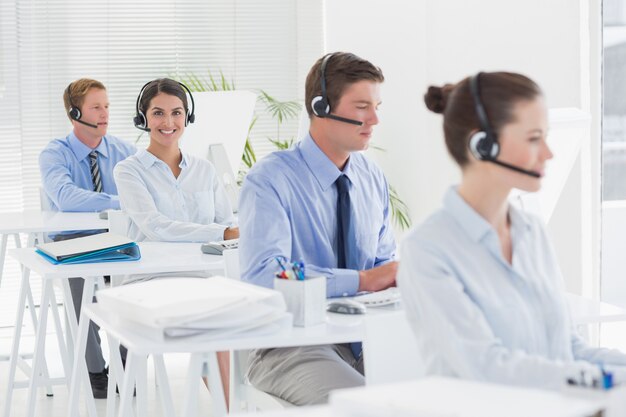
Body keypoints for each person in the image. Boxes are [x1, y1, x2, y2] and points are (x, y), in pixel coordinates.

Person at [398, 71, 626, 390]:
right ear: (483, 145)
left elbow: (568, 351)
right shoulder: (428, 249)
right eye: (534, 139)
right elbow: (487, 368)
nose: (549, 153)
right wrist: (599, 380)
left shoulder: (531, 232)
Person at [238, 52, 397, 405]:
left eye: (377, 106)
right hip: (292, 346)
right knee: (368, 409)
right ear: (322, 107)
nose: (374, 119)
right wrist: (362, 280)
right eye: (361, 106)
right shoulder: (270, 180)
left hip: (365, 336)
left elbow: (384, 266)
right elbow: (264, 276)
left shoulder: (371, 177)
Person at [113, 78, 238, 403]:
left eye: (177, 113)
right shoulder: (128, 171)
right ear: (143, 119)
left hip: (202, 276)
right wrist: (221, 233)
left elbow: (226, 220)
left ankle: (232, 408)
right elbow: (156, 227)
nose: (168, 122)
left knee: (226, 318)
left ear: (187, 117)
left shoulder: (205, 169)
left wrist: (231, 230)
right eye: (158, 113)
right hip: (150, 279)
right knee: (211, 320)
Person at [39, 78, 136, 398]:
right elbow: (66, 198)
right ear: (74, 112)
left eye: (107, 106)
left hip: (117, 237)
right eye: (96, 107)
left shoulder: (124, 150)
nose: (105, 113)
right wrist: (119, 201)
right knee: (83, 296)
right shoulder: (55, 153)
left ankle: (128, 363)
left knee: (139, 285)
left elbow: (147, 191)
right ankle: (96, 373)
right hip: (71, 240)